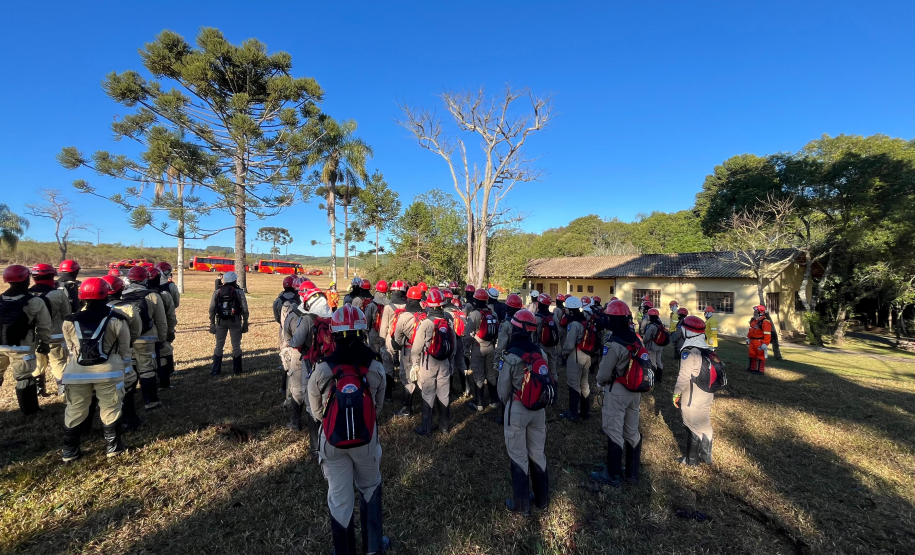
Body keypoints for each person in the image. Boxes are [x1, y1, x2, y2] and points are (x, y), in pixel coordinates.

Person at [306, 305, 390, 555]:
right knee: (370, 488)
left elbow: (315, 409)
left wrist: (331, 422)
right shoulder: (374, 366)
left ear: (334, 333)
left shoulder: (323, 368)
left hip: (332, 441)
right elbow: (378, 407)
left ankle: (344, 552)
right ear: (362, 331)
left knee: (340, 499)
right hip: (365, 439)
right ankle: (373, 549)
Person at [60, 278, 132, 462]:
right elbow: (124, 349)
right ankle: (113, 448)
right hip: (109, 372)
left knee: (75, 409)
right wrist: (127, 368)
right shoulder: (117, 318)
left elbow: (71, 348)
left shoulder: (69, 320)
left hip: (75, 372)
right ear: (106, 294)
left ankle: (70, 451)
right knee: (111, 407)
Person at [498, 309, 555, 515]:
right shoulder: (540, 354)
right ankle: (542, 500)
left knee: (518, 455)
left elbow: (502, 390)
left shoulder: (511, 356)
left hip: (518, 408)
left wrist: (511, 405)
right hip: (539, 410)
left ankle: (521, 506)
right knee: (538, 453)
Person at [591, 300, 643, 486]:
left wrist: (599, 382)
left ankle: (612, 475)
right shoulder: (636, 338)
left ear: (613, 319)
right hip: (635, 391)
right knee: (632, 431)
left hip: (617, 390)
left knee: (613, 431)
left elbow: (605, 371)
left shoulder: (614, 343)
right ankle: (632, 472)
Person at [281, 283, 333, 458]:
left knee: (312, 403)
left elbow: (296, 341)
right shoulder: (333, 316)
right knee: (329, 399)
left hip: (311, 362)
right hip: (332, 363)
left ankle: (315, 447)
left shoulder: (307, 318)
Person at [1, 265, 52, 414]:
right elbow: (44, 326)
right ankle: (30, 411)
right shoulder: (35, 302)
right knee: (24, 378)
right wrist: (44, 343)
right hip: (22, 346)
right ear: (26, 279)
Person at [411, 288, 457, 435]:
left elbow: (417, 347)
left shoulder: (426, 323)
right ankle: (444, 427)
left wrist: (415, 364)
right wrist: (451, 360)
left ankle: (426, 429)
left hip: (427, 362)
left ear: (430, 305)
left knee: (428, 394)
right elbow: (453, 343)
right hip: (444, 361)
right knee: (444, 394)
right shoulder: (448, 320)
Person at [121, 266, 168, 410]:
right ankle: (150, 401)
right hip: (147, 338)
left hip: (127, 339)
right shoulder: (153, 296)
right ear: (145, 279)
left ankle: (130, 395)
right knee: (147, 369)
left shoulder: (122, 295)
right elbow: (161, 321)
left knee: (130, 366)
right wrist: (161, 339)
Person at [102, 274, 144, 431]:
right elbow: (135, 332)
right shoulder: (127, 308)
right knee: (127, 384)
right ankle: (129, 419)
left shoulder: (82, 310)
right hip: (121, 354)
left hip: (92, 359)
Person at [673, 315, 716, 466]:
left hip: (693, 393)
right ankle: (706, 456)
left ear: (688, 332)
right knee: (704, 422)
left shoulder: (689, 351)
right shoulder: (707, 348)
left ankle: (691, 460)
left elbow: (683, 376)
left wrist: (676, 393)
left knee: (691, 423)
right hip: (708, 392)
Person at [29, 263, 71, 396]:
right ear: (52, 276)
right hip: (55, 335)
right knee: (59, 362)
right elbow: (66, 315)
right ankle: (63, 390)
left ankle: (39, 390)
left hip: (34, 336)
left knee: (37, 363)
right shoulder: (58, 294)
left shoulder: (27, 294)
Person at [559, 296, 595, 422]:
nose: (566, 311)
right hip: (587, 355)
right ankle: (585, 411)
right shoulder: (585, 319)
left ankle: (573, 412)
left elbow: (569, 344)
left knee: (573, 384)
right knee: (584, 383)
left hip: (576, 356)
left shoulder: (574, 324)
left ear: (571, 310)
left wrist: (564, 353)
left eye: (567, 309)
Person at [464, 288, 500, 412]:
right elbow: (496, 331)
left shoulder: (474, 314)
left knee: (478, 375)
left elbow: (467, 334)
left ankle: (479, 403)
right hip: (490, 347)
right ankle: (494, 401)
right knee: (491, 374)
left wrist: (466, 348)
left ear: (476, 299)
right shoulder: (493, 313)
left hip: (478, 347)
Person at [391, 285, 425, 417]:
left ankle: (406, 409)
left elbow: (397, 340)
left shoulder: (403, 317)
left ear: (408, 298)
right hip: (424, 352)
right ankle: (427, 409)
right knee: (423, 379)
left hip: (408, 352)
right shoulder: (425, 314)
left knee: (407, 379)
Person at [209, 271, 249, 376]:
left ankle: (215, 370)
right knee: (236, 345)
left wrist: (212, 324)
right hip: (235, 320)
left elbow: (212, 309)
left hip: (220, 321)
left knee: (219, 345)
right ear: (235, 280)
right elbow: (245, 309)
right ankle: (237, 370)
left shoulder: (218, 291)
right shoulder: (239, 292)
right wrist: (245, 323)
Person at [493, 294, 525, 424]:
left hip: (508, 357)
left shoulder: (506, 324)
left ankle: (504, 417)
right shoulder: (524, 322)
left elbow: (501, 345)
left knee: (505, 386)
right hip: (522, 357)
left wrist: (496, 360)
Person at [147, 266, 177, 390]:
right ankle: (164, 383)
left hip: (140, 334)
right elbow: (170, 317)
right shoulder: (163, 294)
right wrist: (170, 331)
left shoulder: (133, 295)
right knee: (163, 354)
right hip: (158, 331)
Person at [378, 280, 407, 401]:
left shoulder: (388, 307)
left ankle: (388, 395)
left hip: (391, 338)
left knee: (388, 367)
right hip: (405, 339)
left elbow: (384, 327)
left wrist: (382, 342)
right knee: (404, 367)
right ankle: (407, 395)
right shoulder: (408, 306)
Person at [442, 289, 469, 397]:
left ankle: (450, 388)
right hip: (460, 339)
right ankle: (466, 388)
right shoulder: (458, 310)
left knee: (450, 365)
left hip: (450, 341)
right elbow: (465, 325)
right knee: (461, 363)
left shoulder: (445, 312)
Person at [532, 293, 560, 379]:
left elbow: (533, 334)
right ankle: (554, 386)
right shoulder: (553, 317)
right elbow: (557, 331)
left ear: (539, 304)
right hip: (552, 346)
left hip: (540, 346)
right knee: (553, 369)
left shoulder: (536, 318)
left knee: (541, 368)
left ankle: (544, 387)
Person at [641, 308, 666, 383]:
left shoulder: (651, 326)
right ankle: (659, 378)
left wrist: (644, 342)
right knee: (659, 361)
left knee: (652, 362)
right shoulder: (660, 324)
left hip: (652, 346)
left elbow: (647, 336)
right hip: (660, 346)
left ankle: (653, 378)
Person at [364, 280, 389, 353]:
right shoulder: (391, 304)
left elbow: (367, 320)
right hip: (387, 333)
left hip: (374, 332)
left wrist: (366, 333)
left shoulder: (371, 305)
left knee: (375, 356)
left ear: (376, 290)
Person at [746, 304, 772, 374]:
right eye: (754, 311)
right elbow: (751, 330)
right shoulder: (754, 321)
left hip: (760, 341)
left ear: (761, 312)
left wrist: (765, 343)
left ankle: (760, 370)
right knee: (752, 355)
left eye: (756, 311)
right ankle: (752, 368)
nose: (754, 313)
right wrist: (748, 338)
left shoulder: (765, 322)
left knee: (761, 356)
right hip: (753, 341)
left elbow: (767, 334)